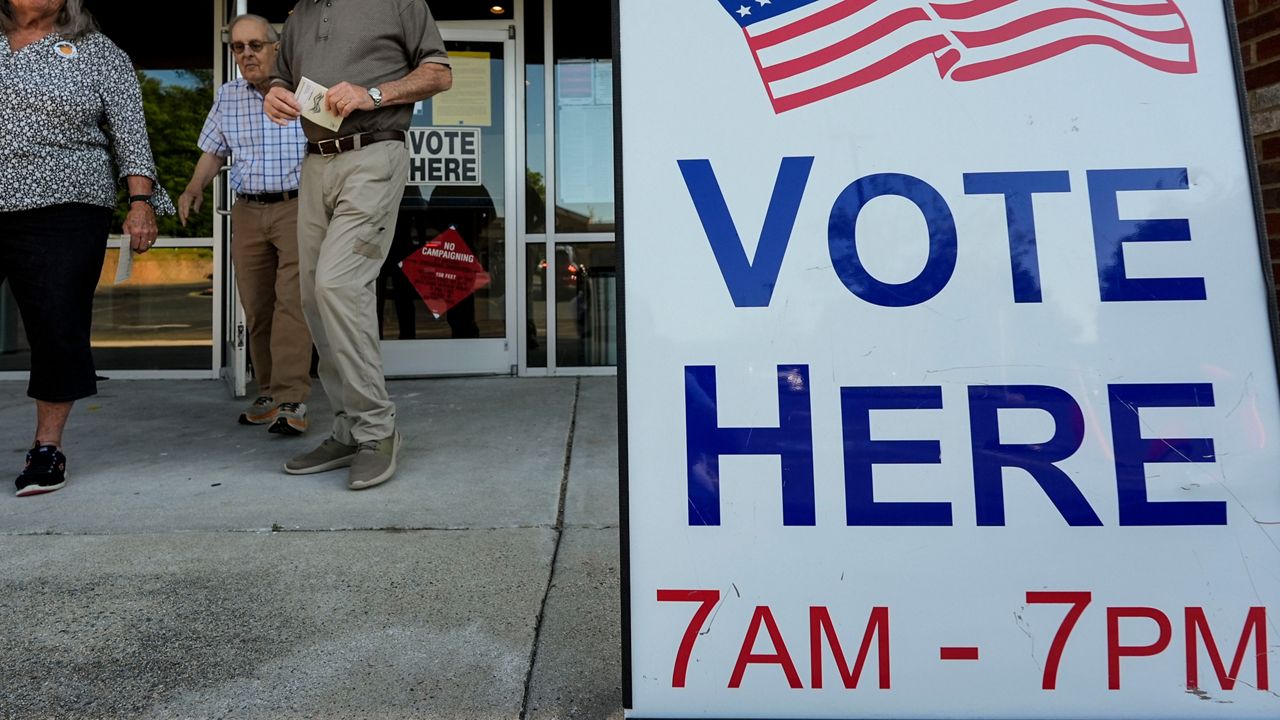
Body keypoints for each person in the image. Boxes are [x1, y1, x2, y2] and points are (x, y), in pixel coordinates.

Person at [264, 0, 452, 490]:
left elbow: (438, 73)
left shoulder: (399, 2)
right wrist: (275, 94)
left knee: (339, 284)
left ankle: (377, 429)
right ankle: (348, 428)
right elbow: (280, 79)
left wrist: (373, 93)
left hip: (374, 153)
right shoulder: (299, 14)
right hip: (315, 160)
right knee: (312, 296)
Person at [0, 0, 174, 496]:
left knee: (58, 325)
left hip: (68, 204)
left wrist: (140, 203)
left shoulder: (98, 52)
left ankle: (46, 449)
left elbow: (131, 135)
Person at [178, 13, 312, 436]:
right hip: (249, 211)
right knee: (257, 307)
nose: (247, 54)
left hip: (296, 206)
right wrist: (194, 186)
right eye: (239, 47)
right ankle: (269, 390)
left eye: (256, 45)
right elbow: (214, 149)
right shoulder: (229, 95)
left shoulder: (302, 92)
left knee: (293, 303)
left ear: (276, 47)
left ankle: (293, 398)